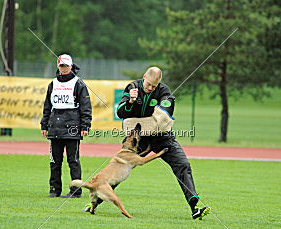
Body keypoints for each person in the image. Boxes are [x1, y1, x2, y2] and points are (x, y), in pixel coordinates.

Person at [87, 67, 209, 220]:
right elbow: (121, 113)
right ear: (144, 76)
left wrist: (158, 114)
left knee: (182, 164)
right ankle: (95, 202)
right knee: (118, 168)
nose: (151, 88)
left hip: (163, 138)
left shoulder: (164, 91)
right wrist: (130, 101)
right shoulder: (132, 88)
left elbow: (165, 112)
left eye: (154, 86)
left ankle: (194, 206)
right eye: (149, 84)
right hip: (139, 140)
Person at [41, 54, 92, 198]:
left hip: (72, 127)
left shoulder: (79, 83)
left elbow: (85, 106)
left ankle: (76, 191)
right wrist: (44, 125)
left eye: (66, 66)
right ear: (58, 67)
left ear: (71, 66)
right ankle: (54, 190)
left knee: (73, 161)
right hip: (55, 127)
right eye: (61, 66)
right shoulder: (52, 84)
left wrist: (85, 125)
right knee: (54, 161)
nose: (64, 68)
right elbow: (47, 106)